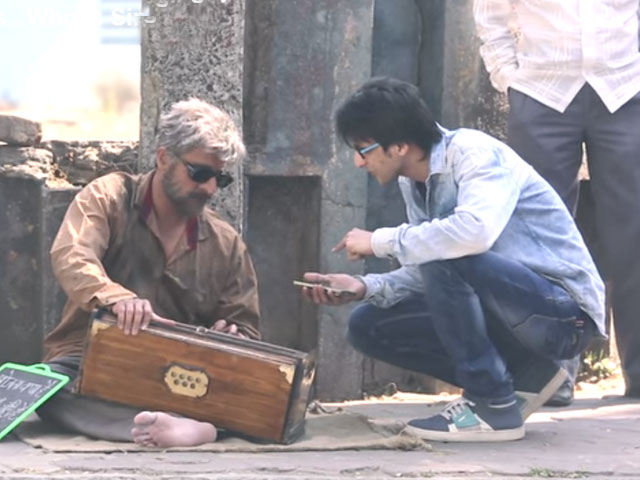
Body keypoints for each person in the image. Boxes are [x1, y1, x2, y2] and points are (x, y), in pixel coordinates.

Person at [300, 77, 606, 442]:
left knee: (444, 248)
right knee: (367, 324)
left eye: (363, 149)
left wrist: (379, 241)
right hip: (508, 310)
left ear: (399, 145)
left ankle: (491, 404)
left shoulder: (475, 154)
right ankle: (526, 375)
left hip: (562, 315)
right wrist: (364, 286)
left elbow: (471, 236)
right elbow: (428, 269)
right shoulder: (412, 180)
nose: (357, 161)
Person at [38, 98, 260, 448]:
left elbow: (245, 328)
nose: (210, 189)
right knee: (45, 389)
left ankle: (193, 425)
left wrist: (232, 336)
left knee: (263, 396)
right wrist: (116, 298)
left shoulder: (227, 243)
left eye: (221, 178)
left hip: (181, 377)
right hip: (92, 360)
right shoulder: (108, 197)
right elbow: (71, 254)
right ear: (163, 158)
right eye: (200, 174)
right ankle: (193, 427)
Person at [474, 0, 640, 403]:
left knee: (634, 233)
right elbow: (490, 13)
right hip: (541, 93)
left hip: (624, 90)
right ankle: (551, 377)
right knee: (539, 238)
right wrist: (508, 78)